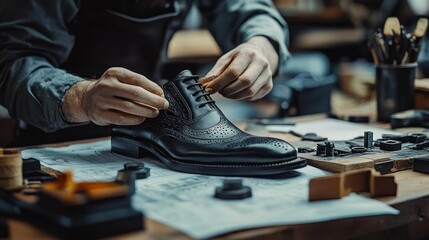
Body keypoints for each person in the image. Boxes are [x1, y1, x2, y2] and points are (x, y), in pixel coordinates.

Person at [0, 0, 290, 146]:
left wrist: (262, 46)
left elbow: (251, 11)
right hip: (58, 146)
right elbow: (12, 63)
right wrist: (82, 98)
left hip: (153, 139)